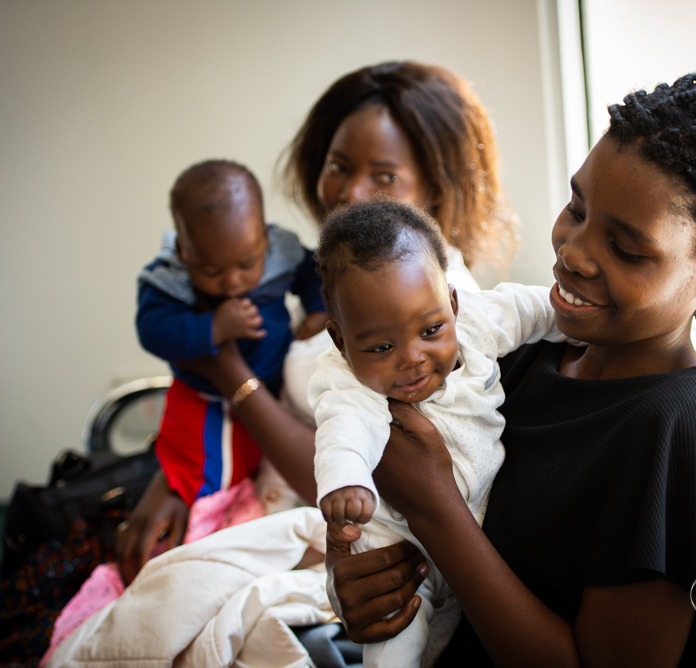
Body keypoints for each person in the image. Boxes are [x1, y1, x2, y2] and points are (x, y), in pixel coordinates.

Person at [323, 73, 696, 667]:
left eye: (629, 249)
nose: (573, 251)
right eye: (578, 208)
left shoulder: (675, 430)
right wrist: (357, 577)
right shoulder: (522, 355)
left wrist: (434, 507)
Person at [115, 59, 518, 584]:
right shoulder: (329, 277)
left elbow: (351, 477)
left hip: (329, 551)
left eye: (385, 176)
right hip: (241, 496)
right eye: (339, 165)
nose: (350, 191)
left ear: (435, 188)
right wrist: (175, 482)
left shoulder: (438, 320)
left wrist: (230, 374)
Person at [310, 200, 563, 666]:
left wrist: (577, 322)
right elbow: (341, 432)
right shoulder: (345, 381)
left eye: (430, 329)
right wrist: (345, 482)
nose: (412, 357)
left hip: (478, 528)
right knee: (397, 640)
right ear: (341, 341)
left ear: (452, 301)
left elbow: (533, 310)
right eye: (382, 346)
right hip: (401, 549)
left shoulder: (475, 322)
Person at [136, 158, 326, 507]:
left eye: (246, 264)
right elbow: (152, 330)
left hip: (271, 386)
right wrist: (213, 327)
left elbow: (313, 274)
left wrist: (318, 309)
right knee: (210, 475)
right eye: (211, 270)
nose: (232, 281)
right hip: (205, 397)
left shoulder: (279, 251)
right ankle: (209, 515)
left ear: (264, 239)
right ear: (183, 251)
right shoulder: (168, 279)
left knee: (261, 460)